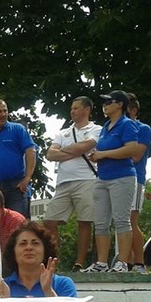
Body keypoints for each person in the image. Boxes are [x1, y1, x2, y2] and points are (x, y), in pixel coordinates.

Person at [81, 90, 139, 273]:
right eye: (104, 102)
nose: (105, 105)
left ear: (120, 104)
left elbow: (131, 149)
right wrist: (97, 156)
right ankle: (102, 263)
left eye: (109, 101)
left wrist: (103, 154)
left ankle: (122, 262)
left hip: (122, 177)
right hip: (103, 178)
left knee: (122, 220)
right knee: (100, 222)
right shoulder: (106, 126)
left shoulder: (127, 124)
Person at [44, 97, 101, 271]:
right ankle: (55, 261)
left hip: (86, 179)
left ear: (87, 109)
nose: (72, 111)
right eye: (71, 108)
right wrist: (75, 151)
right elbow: (50, 154)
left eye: (76, 108)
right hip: (63, 182)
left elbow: (86, 146)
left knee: (85, 221)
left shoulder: (96, 129)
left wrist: (65, 151)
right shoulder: (64, 132)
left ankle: (79, 262)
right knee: (49, 221)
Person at [0, 99, 37, 218]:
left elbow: (31, 151)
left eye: (5, 111)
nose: (3, 114)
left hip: (16, 186)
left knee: (18, 223)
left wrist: (28, 177)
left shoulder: (17, 129)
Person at [125, 94, 151, 274]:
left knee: (131, 221)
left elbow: (136, 156)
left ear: (133, 110)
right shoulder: (114, 129)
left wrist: (109, 154)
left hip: (135, 178)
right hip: (115, 179)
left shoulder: (142, 129)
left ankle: (139, 262)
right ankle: (125, 262)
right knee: (121, 221)